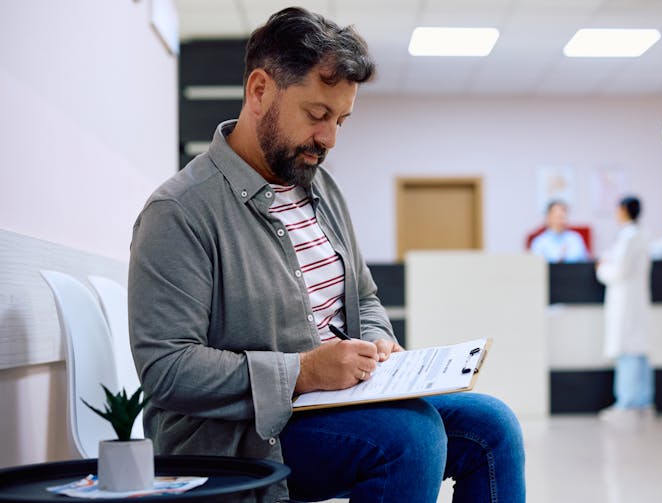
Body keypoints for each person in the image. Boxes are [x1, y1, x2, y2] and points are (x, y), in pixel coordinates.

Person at [128, 7, 524, 502]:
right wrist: (303, 372)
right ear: (259, 90)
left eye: (341, 120)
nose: (329, 138)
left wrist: (379, 341)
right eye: (317, 115)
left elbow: (364, 296)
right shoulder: (179, 212)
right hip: (244, 433)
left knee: (494, 428)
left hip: (335, 404)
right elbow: (167, 368)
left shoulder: (322, 189)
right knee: (412, 439)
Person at [595, 195, 654, 424]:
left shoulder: (629, 237)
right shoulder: (639, 234)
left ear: (623, 210)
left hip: (626, 302)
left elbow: (618, 271)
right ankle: (642, 400)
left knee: (628, 350)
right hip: (635, 300)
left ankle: (627, 402)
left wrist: (601, 269)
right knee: (638, 349)